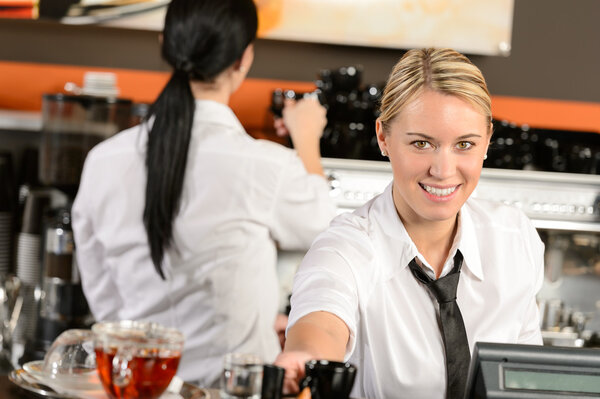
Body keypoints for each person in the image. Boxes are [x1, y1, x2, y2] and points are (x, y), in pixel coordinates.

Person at [71, 0, 336, 388]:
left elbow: (104, 296)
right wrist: (307, 139)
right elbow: (326, 230)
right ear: (244, 58)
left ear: (166, 44)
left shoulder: (102, 161)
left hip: (138, 389)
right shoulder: (267, 165)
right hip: (232, 391)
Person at [274, 48, 545, 399]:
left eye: (464, 144)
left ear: (487, 140)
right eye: (421, 143)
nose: (443, 170)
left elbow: (529, 377)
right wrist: (306, 357)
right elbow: (322, 321)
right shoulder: (346, 248)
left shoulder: (515, 239)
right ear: (383, 137)